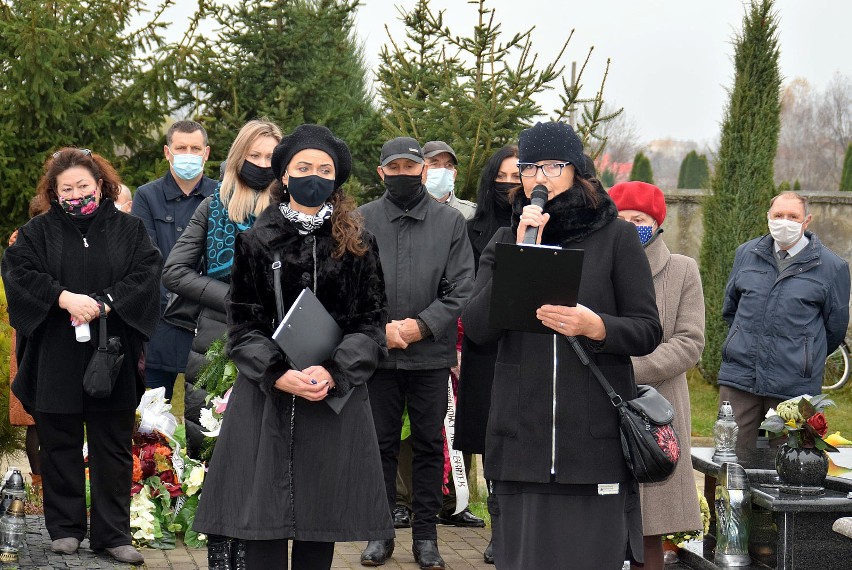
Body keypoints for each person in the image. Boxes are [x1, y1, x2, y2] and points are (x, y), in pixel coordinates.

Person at [462, 121, 661, 570]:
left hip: (593, 448)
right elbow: (476, 328)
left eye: (552, 166)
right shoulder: (504, 239)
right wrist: (518, 252)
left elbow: (647, 329)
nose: (539, 177)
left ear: (577, 170)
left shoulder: (616, 238)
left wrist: (597, 326)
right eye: (529, 167)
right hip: (521, 448)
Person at [192, 124, 393, 570]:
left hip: (330, 400)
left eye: (324, 169)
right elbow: (243, 324)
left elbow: (371, 322)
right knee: (263, 523)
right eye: (303, 167)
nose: (313, 176)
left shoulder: (358, 245)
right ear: (284, 175)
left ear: (337, 179)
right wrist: (277, 372)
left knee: (318, 531)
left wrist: (335, 372)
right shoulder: (256, 241)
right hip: (269, 401)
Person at [2, 148, 162, 565]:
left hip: (113, 354)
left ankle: (113, 534)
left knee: (112, 444)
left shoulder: (130, 229)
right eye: (66, 189)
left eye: (83, 186)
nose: (76, 194)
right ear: (54, 193)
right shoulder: (36, 232)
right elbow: (18, 273)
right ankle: (66, 528)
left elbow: (146, 274)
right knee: (59, 443)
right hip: (55, 352)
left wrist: (106, 302)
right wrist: (64, 297)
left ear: (101, 185)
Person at [359, 137, 475, 569]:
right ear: (381, 172)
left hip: (430, 355)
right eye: (395, 168)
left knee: (428, 445)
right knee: (380, 445)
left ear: (423, 171)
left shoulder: (449, 223)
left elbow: (462, 286)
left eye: (411, 167)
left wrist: (421, 326)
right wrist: (380, 329)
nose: (404, 175)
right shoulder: (362, 220)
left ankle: (426, 538)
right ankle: (379, 533)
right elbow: (350, 286)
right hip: (380, 356)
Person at [609, 181, 705, 570]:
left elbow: (689, 342)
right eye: (622, 219)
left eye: (640, 219)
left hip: (657, 406)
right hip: (602, 398)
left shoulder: (682, 270)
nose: (631, 226)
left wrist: (630, 368)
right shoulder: (598, 265)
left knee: (650, 526)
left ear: (657, 222)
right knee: (604, 513)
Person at [393, 139, 483, 532]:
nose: (440, 170)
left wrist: (426, 326)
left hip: (441, 342)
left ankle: (442, 511)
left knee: (437, 434)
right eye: (433, 163)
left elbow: (465, 285)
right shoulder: (372, 217)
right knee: (392, 435)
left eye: (449, 164)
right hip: (390, 346)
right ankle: (393, 509)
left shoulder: (462, 219)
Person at [719, 191, 850, 455]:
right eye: (778, 215)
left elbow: (833, 329)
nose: (785, 222)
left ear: (807, 220)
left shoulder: (832, 266)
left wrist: (803, 354)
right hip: (740, 378)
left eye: (793, 216)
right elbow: (731, 309)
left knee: (793, 465)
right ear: (768, 217)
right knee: (731, 460)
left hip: (794, 385)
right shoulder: (746, 254)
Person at [453, 144, 520, 563]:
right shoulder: (472, 229)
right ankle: (498, 529)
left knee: (518, 439)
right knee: (490, 441)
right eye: (502, 178)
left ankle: (516, 525)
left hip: (526, 343)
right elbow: (462, 288)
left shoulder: (544, 227)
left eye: (518, 177)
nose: (510, 186)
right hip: (482, 347)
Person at [132, 120, 218, 400]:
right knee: (153, 416)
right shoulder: (147, 196)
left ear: (206, 153)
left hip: (210, 315)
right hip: (161, 316)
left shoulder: (222, 195)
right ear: (167, 152)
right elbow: (146, 258)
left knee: (208, 410)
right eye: (181, 148)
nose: (188, 154)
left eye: (195, 148)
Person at [423, 140, 476, 220]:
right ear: (421, 171)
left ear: (454, 175)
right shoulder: (410, 211)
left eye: (448, 165)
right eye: (434, 164)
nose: (443, 170)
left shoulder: (470, 213)